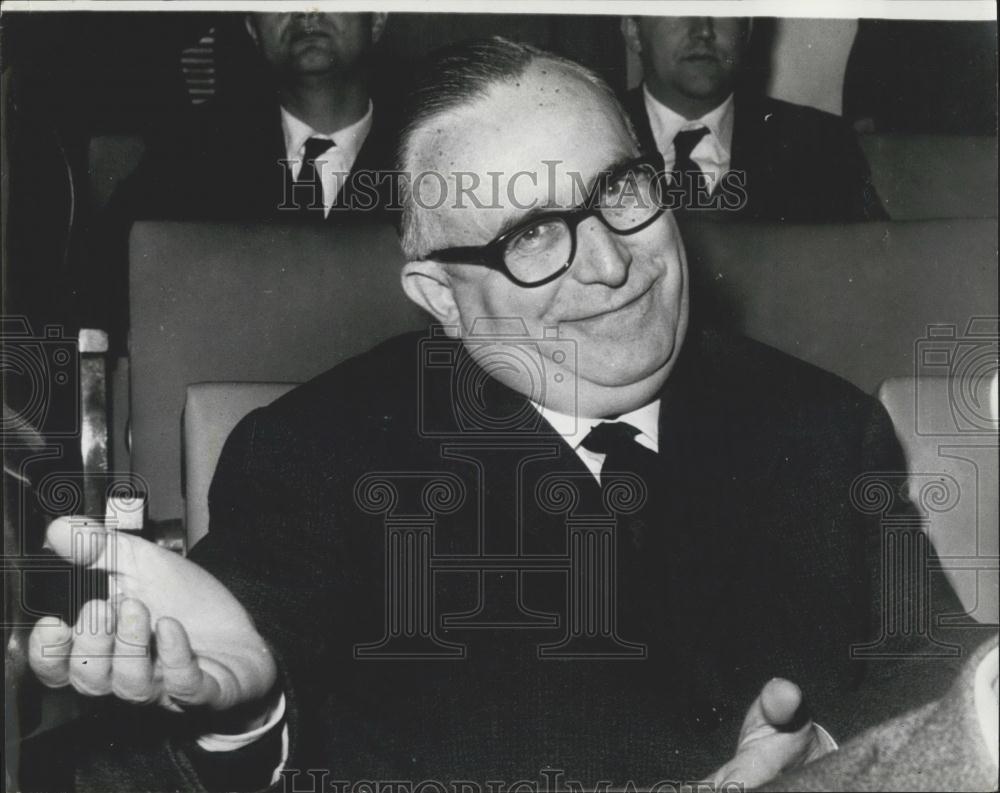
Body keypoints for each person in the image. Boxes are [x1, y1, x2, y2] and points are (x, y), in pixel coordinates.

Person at [31, 38, 973, 790]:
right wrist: (246, 715)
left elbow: (940, 672)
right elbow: (237, 643)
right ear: (440, 297)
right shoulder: (320, 452)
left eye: (622, 191)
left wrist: (836, 761)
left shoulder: (820, 424)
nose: (610, 265)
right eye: (531, 237)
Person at [87, 11, 400, 352]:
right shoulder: (189, 153)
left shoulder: (427, 154)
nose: (305, 10)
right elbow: (100, 290)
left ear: (377, 18)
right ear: (252, 29)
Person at [620, 16, 887, 221]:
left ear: (747, 29)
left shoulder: (823, 143)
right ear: (633, 30)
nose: (703, 30)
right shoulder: (598, 133)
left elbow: (875, 263)